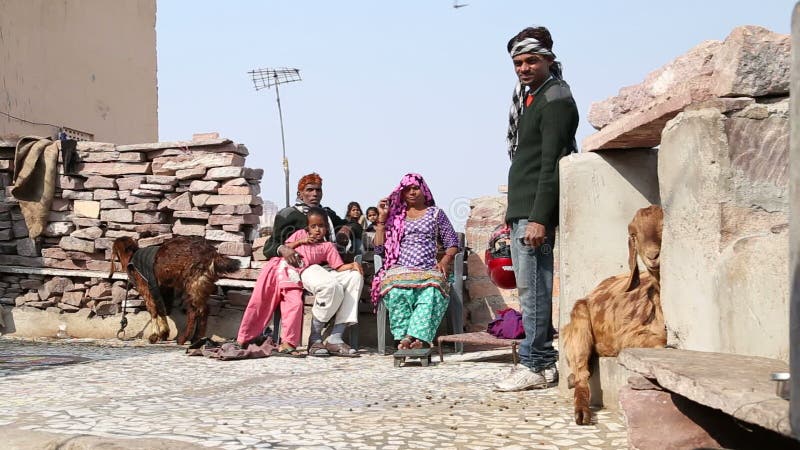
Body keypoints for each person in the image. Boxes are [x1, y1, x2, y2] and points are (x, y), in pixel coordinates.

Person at [494, 26, 578, 392]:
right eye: (518, 62)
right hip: (523, 208)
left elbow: (552, 162)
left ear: (548, 60)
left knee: (536, 289)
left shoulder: (555, 98)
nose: (524, 68)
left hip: (535, 212)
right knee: (529, 289)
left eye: (531, 60)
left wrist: (540, 217)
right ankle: (535, 360)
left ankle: (539, 363)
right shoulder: (531, 97)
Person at [254, 173, 364, 356]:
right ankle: (315, 338)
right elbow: (270, 246)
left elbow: (355, 225)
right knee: (330, 286)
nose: (314, 194)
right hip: (304, 266)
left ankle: (336, 336)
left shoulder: (325, 214)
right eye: (309, 190)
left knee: (355, 276)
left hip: (330, 265)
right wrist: (285, 249)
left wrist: (346, 229)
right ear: (300, 193)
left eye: (318, 190)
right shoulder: (288, 214)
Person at [371, 173, 461, 350]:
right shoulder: (395, 217)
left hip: (428, 269)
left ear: (424, 189)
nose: (411, 192)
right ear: (402, 193)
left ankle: (412, 338)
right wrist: (382, 219)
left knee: (433, 290)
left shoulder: (436, 214)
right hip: (400, 269)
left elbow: (452, 242)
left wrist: (445, 260)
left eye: (415, 188)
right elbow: (379, 250)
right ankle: (409, 339)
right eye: (407, 189)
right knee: (396, 291)